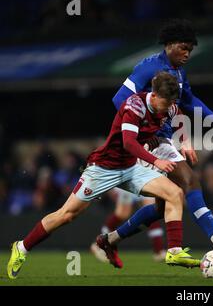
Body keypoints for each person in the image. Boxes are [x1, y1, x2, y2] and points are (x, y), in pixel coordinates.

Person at [7, 72, 200, 279]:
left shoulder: (169, 106)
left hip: (131, 168)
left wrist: (185, 143)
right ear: (153, 95)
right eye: (165, 102)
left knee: (174, 194)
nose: (167, 107)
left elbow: (178, 117)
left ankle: (173, 252)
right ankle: (22, 247)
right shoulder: (134, 105)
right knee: (66, 215)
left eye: (171, 102)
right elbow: (128, 143)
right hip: (104, 168)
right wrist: (157, 160)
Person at [98, 19, 213, 264]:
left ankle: (109, 240)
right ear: (170, 44)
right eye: (183, 48)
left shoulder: (178, 73)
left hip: (163, 138)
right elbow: (119, 99)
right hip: (146, 142)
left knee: (159, 208)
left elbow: (188, 102)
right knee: (190, 180)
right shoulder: (149, 68)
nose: (187, 53)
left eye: (190, 49)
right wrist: (143, 131)